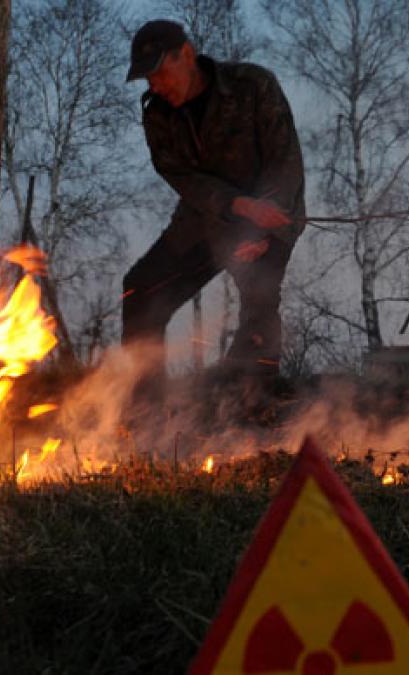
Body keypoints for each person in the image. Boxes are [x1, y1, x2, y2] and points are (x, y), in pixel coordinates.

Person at [121, 20, 305, 414]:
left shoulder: (253, 87)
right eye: (147, 79)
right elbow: (180, 176)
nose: (155, 86)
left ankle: (254, 406)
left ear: (186, 55)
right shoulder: (157, 116)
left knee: (258, 296)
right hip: (203, 220)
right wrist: (236, 205)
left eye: (159, 73)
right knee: (141, 290)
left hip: (269, 218)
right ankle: (144, 413)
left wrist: (261, 225)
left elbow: (285, 161)